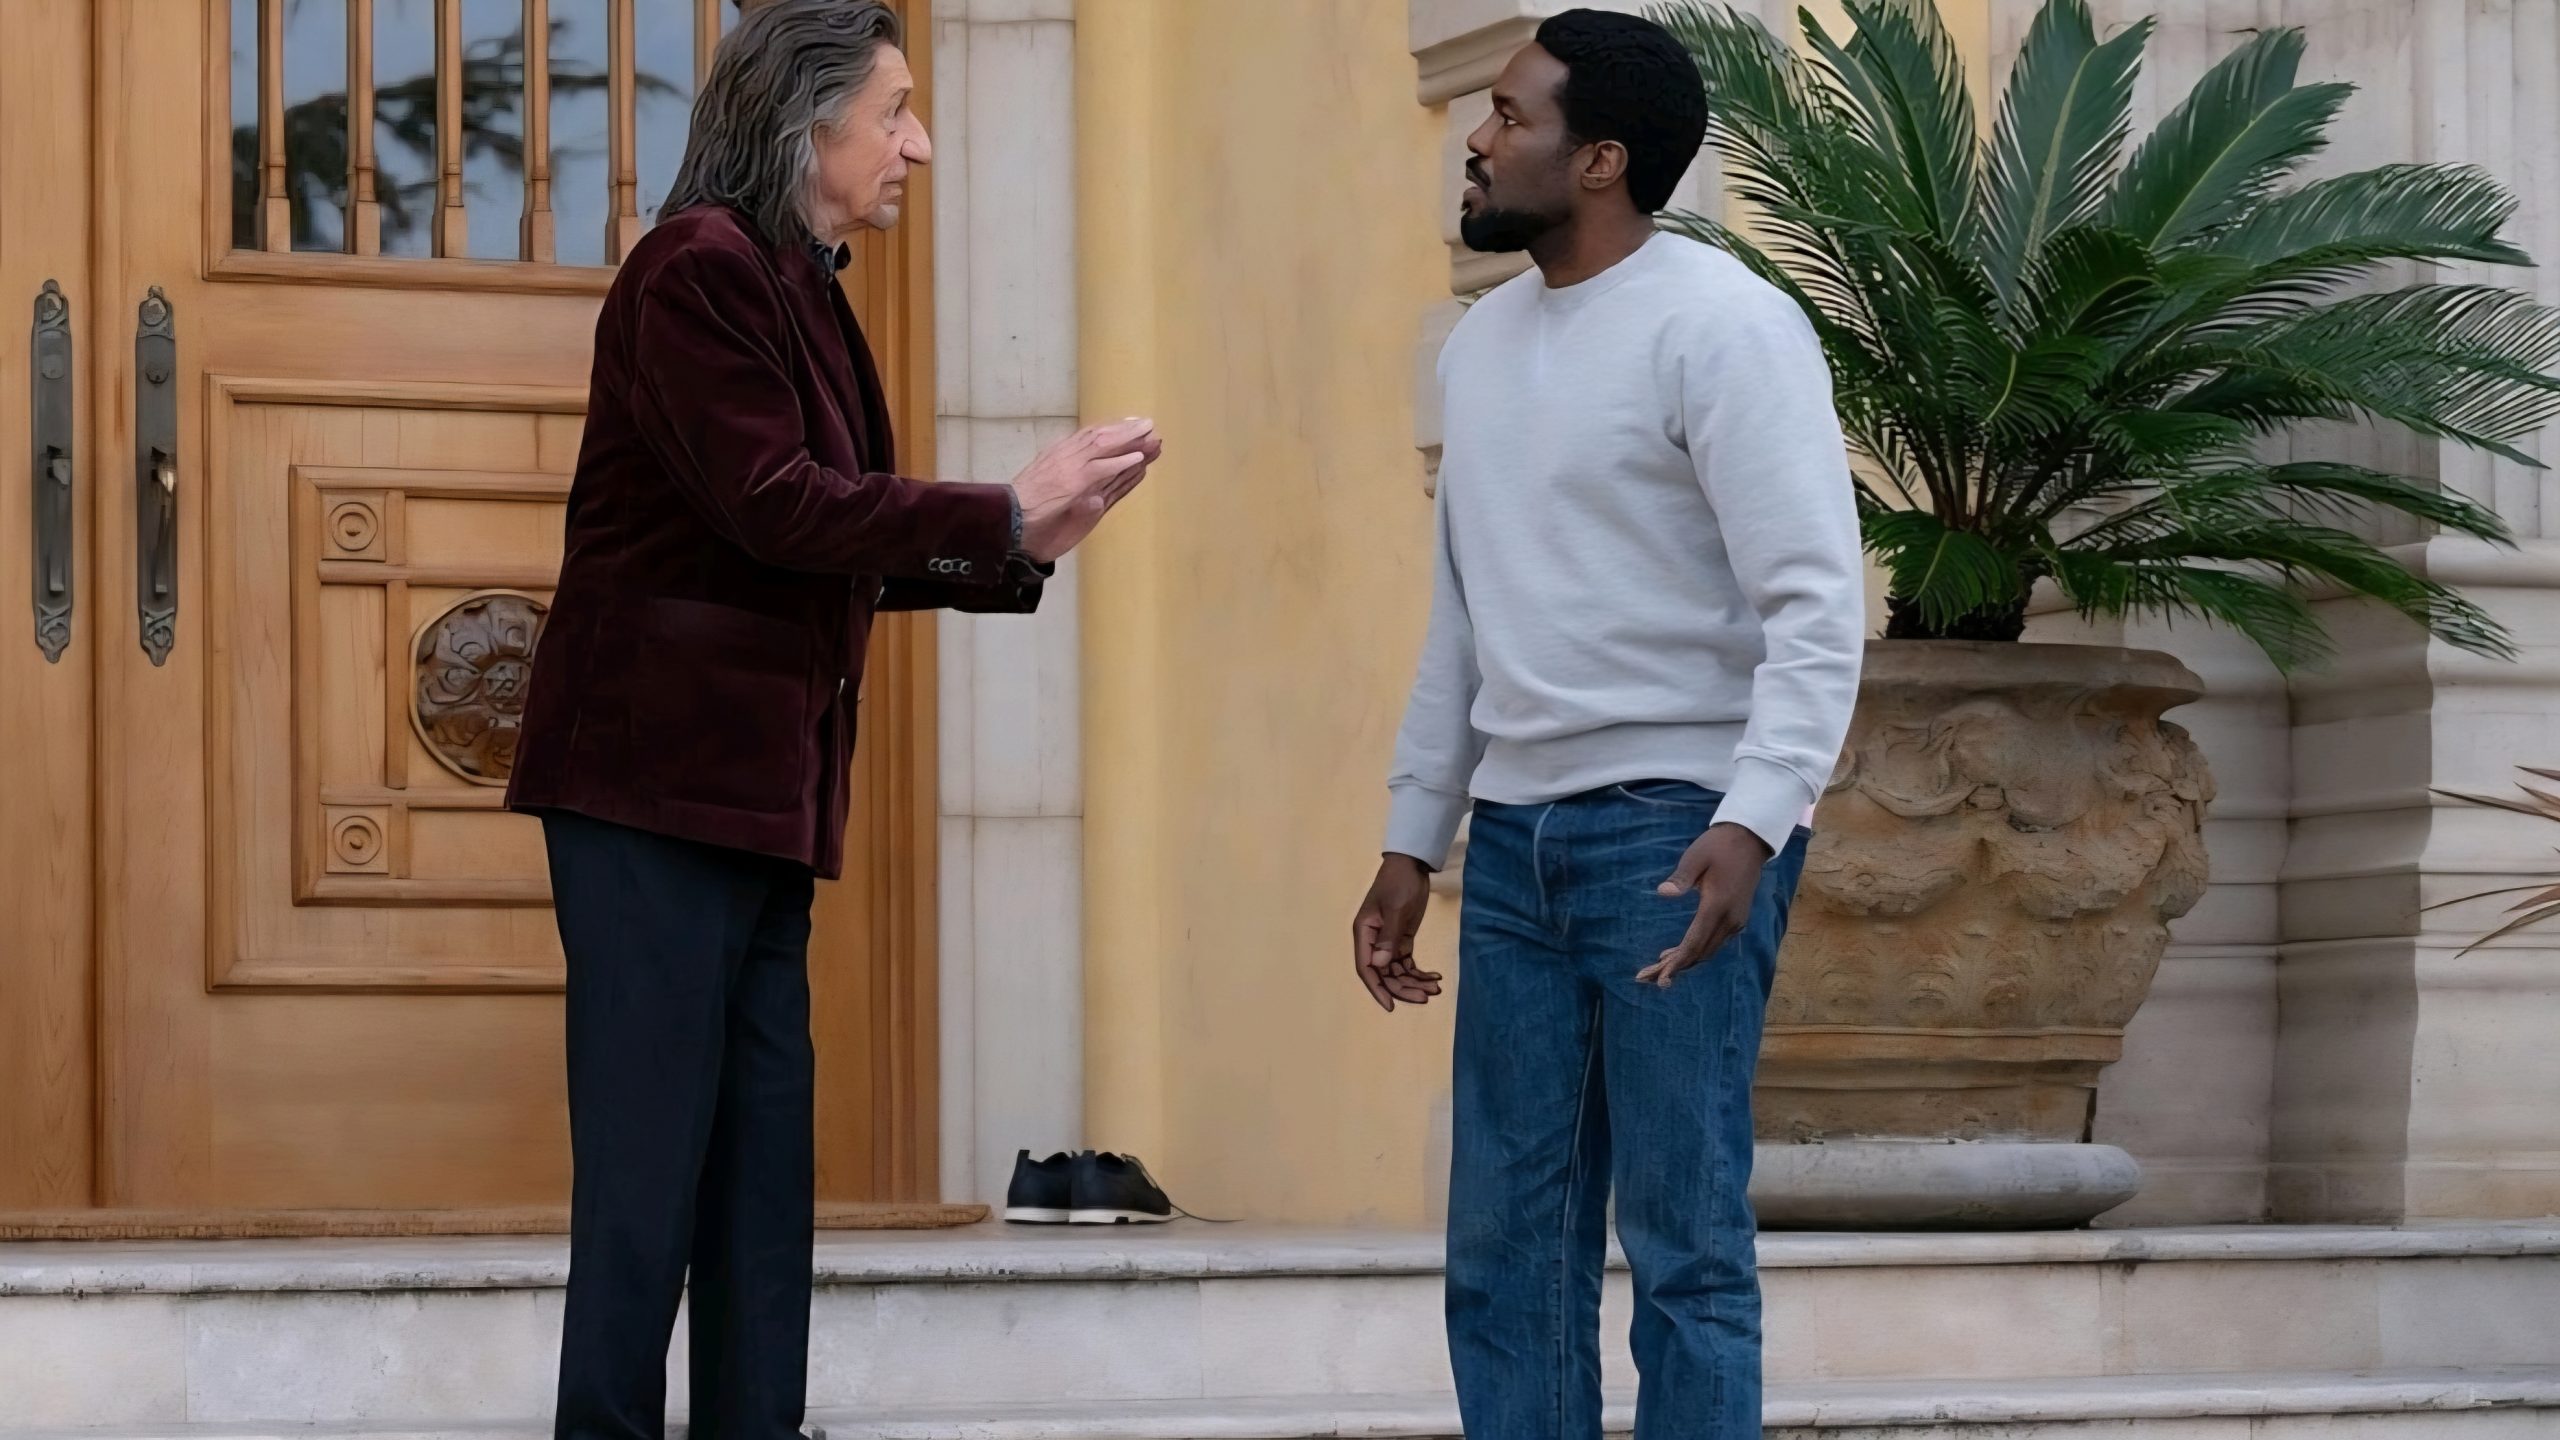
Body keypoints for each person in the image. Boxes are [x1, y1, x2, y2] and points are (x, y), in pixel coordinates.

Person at [504, 3, 1159, 1436]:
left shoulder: (796, 277)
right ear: (807, 125)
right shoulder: (695, 272)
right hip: (648, 797)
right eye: (897, 110)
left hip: (757, 805)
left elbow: (810, 539)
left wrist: (1021, 542)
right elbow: (779, 507)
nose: (918, 141)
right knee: (647, 1195)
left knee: (755, 1201)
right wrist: (999, 511)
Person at [1349, 10, 1863, 1437]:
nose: (1480, 131)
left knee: (1685, 1247)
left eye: (1511, 116)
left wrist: (1756, 819)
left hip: (1677, 835)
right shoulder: (1480, 345)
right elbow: (1464, 619)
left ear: (1602, 162)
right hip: (1512, 845)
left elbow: (1819, 605)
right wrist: (1412, 838)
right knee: (1506, 1254)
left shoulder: (1727, 328)